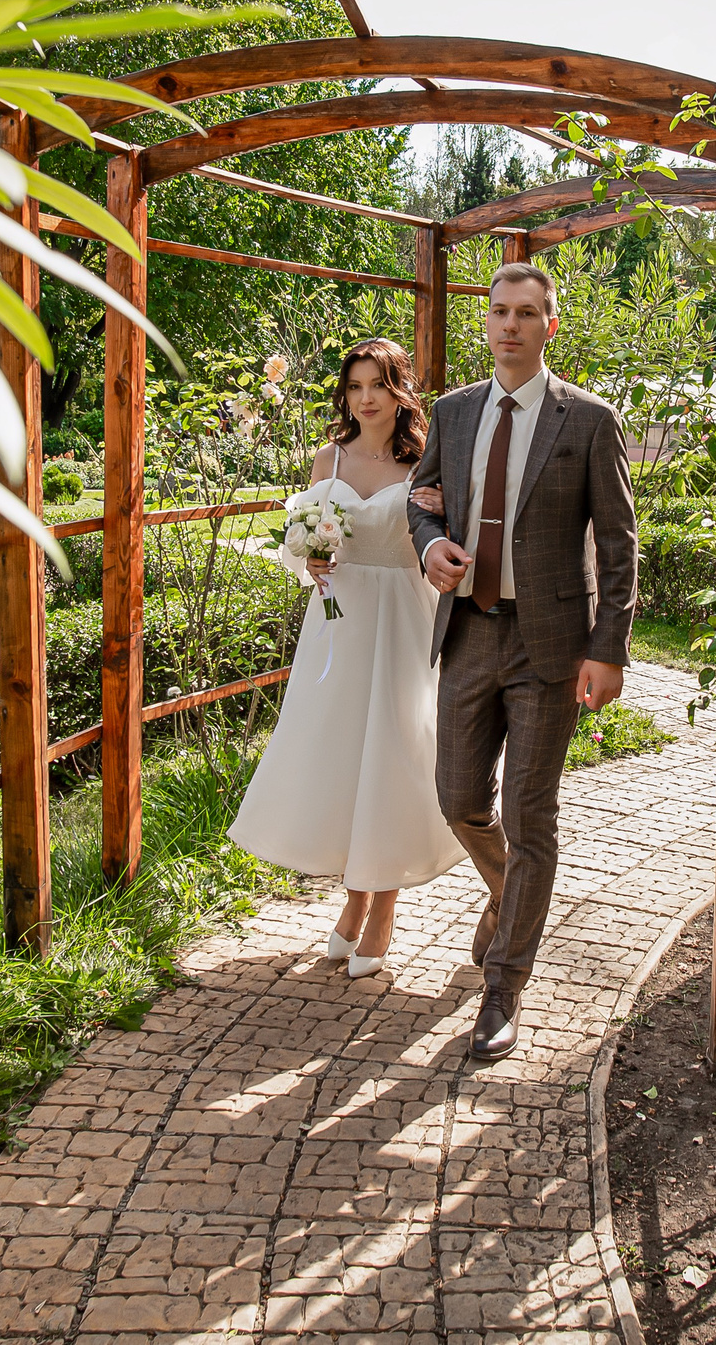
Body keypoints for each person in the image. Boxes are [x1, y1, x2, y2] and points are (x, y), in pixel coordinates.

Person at [407, 262, 637, 1060]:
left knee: (531, 814)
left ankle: (503, 986)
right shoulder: (453, 412)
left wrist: (609, 648)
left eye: (526, 313)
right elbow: (423, 498)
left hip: (551, 646)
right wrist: (429, 545)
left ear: (549, 325)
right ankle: (511, 897)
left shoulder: (590, 420)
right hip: (469, 632)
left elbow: (619, 543)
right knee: (458, 797)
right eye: (499, 311)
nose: (510, 324)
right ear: (488, 321)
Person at [229, 339, 463, 978]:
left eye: (378, 385)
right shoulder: (326, 457)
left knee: (393, 754)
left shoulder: (426, 461)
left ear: (399, 391)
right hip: (338, 621)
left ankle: (382, 906)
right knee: (342, 755)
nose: (366, 398)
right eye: (355, 386)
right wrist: (307, 559)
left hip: (402, 617)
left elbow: (446, 536)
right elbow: (302, 541)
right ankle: (354, 899)